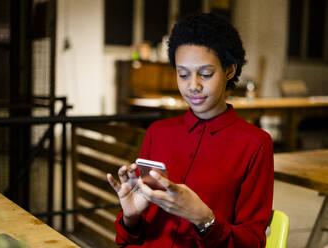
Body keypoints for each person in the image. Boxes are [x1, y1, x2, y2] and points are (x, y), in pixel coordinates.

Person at [107, 12, 274, 248]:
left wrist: (204, 219)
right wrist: (130, 218)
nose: (193, 85)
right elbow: (128, 241)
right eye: (183, 74)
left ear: (229, 70)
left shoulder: (255, 144)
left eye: (206, 74)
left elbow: (253, 243)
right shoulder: (158, 132)